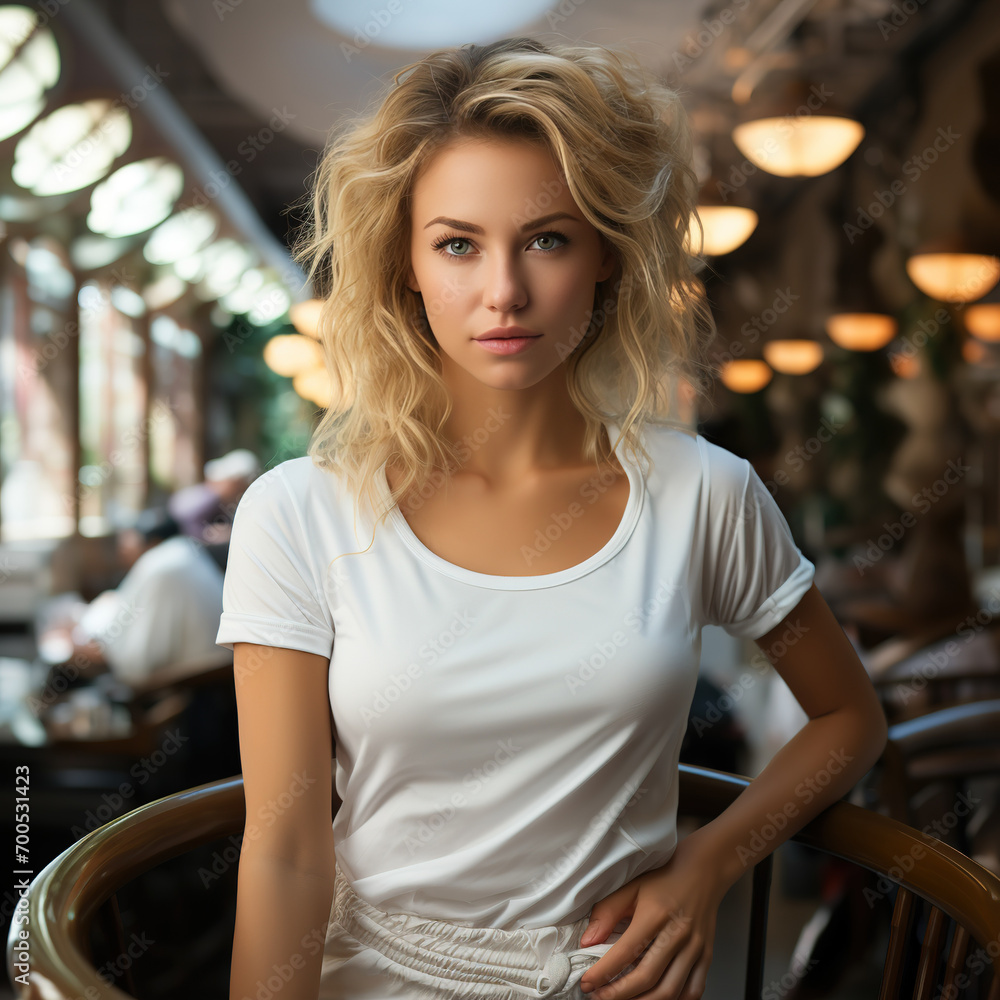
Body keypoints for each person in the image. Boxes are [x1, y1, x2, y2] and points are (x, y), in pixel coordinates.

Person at [215, 37, 888, 1000]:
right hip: (376, 976)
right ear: (404, 264)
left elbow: (848, 720)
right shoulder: (300, 515)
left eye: (547, 238)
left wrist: (709, 864)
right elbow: (284, 851)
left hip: (616, 980)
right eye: (457, 243)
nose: (505, 292)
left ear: (607, 255)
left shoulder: (704, 493)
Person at [69, 507, 228, 688]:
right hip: (215, 677)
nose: (122, 552)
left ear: (152, 542)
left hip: (195, 688)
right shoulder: (185, 552)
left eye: (127, 543)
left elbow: (137, 662)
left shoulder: (160, 565)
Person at [168, 448, 261, 547]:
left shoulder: (214, 497)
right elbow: (186, 527)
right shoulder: (209, 498)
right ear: (235, 482)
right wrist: (211, 535)